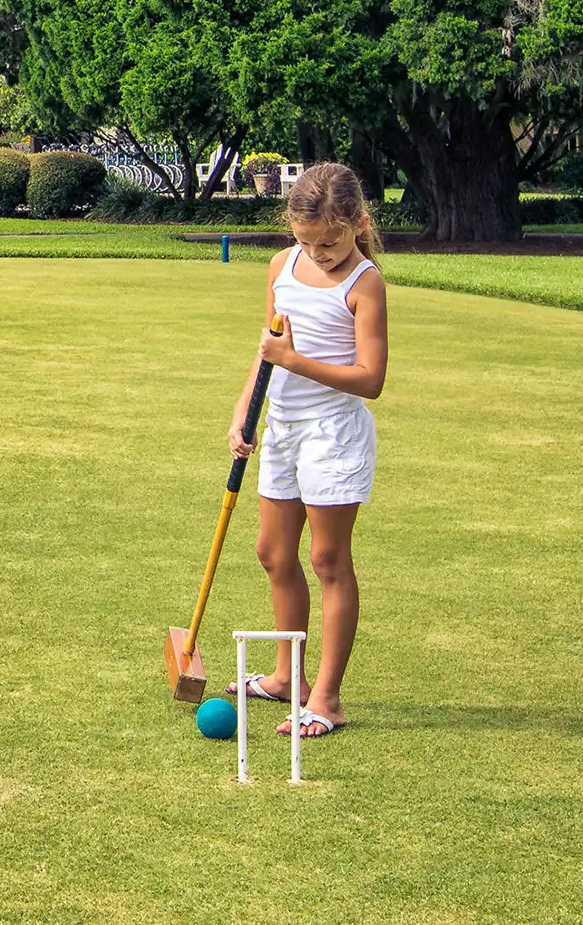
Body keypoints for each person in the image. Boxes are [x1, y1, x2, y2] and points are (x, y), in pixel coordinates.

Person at [227, 160, 387, 735]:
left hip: (333, 436)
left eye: (330, 242)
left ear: (358, 223)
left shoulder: (364, 283)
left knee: (328, 561)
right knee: (272, 553)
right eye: (307, 242)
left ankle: (326, 698)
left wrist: (295, 362)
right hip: (284, 429)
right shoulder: (282, 266)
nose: (319, 253)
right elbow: (267, 347)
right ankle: (285, 677)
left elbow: (371, 379)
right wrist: (246, 408)